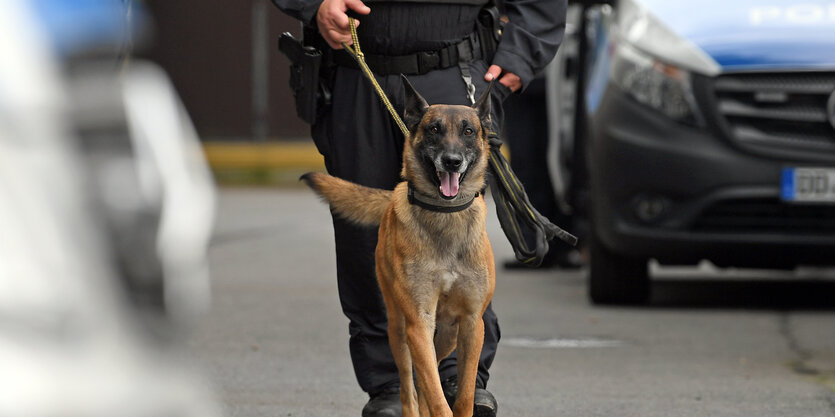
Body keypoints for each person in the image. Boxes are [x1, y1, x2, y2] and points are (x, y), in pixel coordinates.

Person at [270, 0, 566, 415]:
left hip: (456, 68)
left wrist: (521, 52)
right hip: (357, 66)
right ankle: (392, 385)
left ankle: (459, 380)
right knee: (363, 241)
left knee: (459, 234)